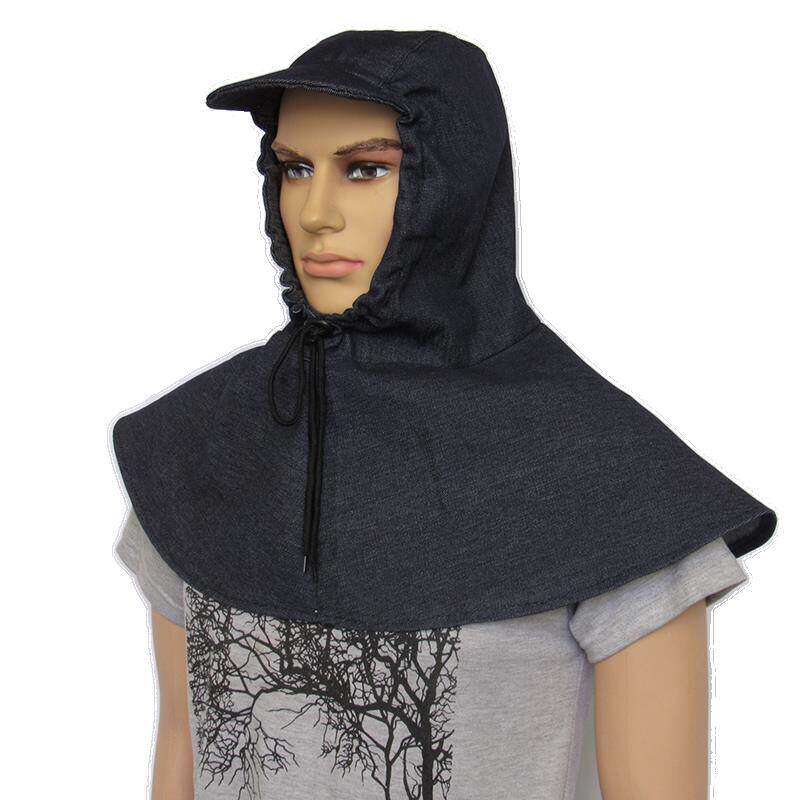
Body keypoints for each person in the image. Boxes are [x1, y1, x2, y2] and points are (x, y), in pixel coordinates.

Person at [113, 30, 775, 799]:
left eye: (366, 169)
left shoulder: (605, 474)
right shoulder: (202, 449)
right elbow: (185, 744)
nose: (315, 212)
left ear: (452, 184)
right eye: (295, 168)